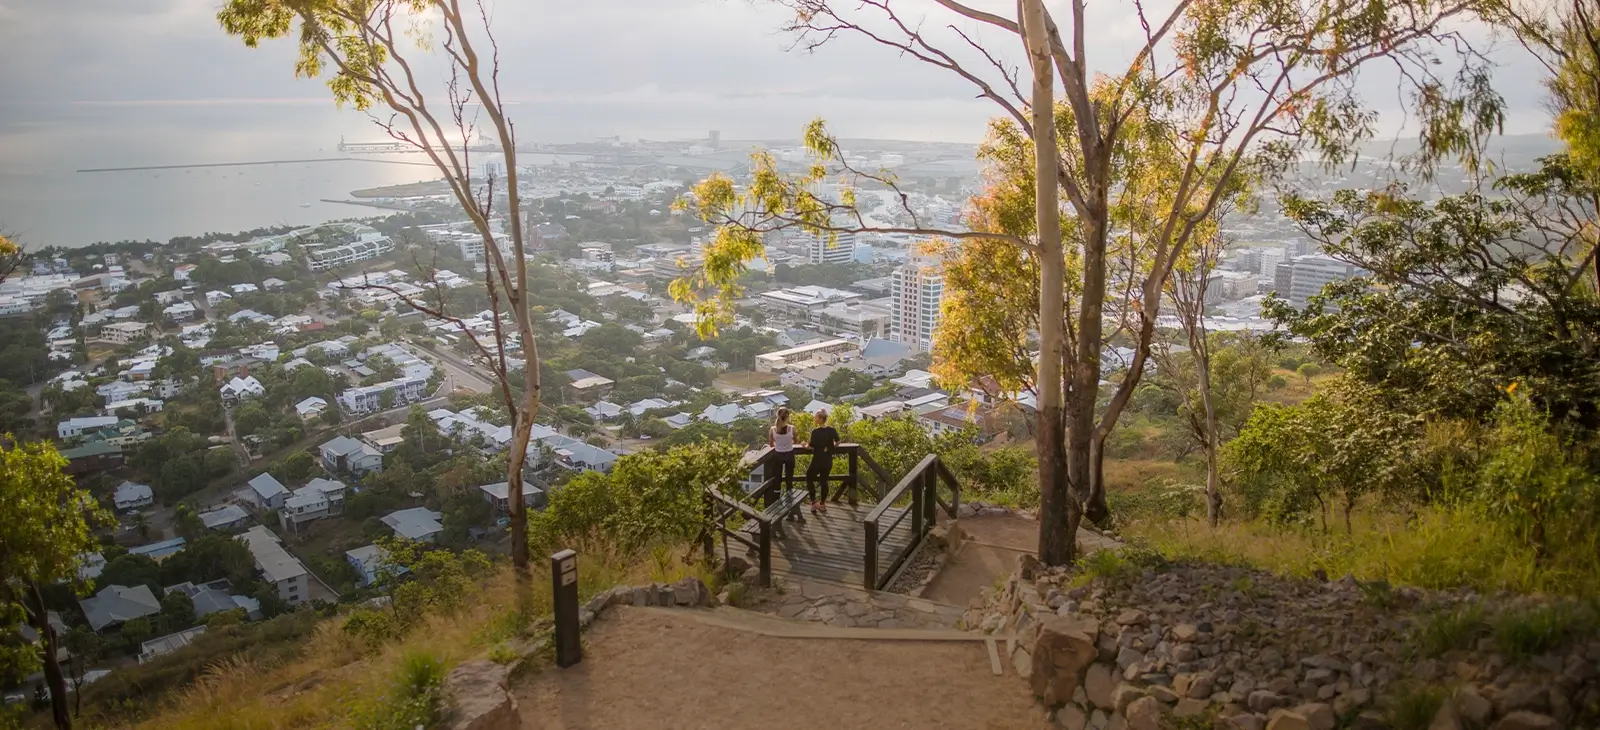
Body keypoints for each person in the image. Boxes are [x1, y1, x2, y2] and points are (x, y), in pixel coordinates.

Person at [804, 409, 840, 514]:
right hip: (827, 460)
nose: (814, 419)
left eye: (816, 417)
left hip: (817, 460)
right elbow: (838, 442)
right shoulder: (832, 430)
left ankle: (813, 502)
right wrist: (829, 448)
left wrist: (803, 445)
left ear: (820, 419)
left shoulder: (815, 432)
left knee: (809, 477)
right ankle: (822, 504)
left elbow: (810, 447)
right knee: (824, 481)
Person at [768, 407, 796, 494]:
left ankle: (776, 498)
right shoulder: (792, 428)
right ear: (787, 417)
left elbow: (771, 444)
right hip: (789, 454)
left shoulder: (773, 429)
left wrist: (779, 444)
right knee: (789, 477)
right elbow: (795, 441)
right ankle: (789, 496)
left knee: (777, 478)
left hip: (778, 455)